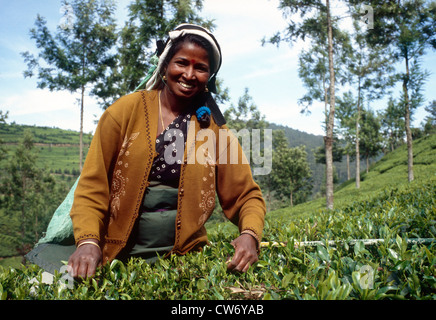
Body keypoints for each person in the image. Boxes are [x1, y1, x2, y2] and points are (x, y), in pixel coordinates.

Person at [66, 23, 266, 279]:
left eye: (201, 68)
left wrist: (249, 235)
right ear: (164, 65)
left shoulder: (213, 129)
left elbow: (246, 195)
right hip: (115, 257)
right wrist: (88, 243)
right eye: (182, 63)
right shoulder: (124, 112)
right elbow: (91, 187)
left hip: (184, 261)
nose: (190, 74)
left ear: (209, 76)